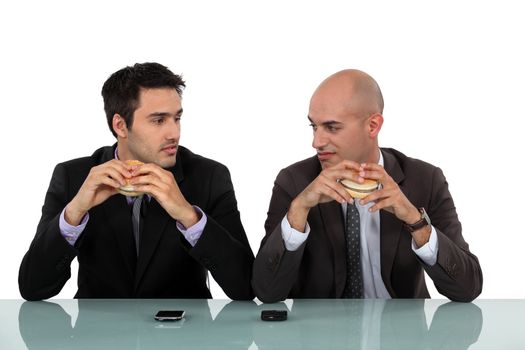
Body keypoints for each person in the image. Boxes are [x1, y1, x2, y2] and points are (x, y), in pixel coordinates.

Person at [19, 62, 254, 300]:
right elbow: (33, 288)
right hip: (98, 334)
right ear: (120, 125)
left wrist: (189, 217)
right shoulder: (73, 176)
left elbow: (245, 287)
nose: (174, 133)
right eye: (159, 120)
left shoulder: (210, 176)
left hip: (182, 332)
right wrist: (75, 212)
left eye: (177, 118)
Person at [252, 69, 482, 302]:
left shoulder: (424, 179)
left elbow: (467, 288)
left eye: (332, 127)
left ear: (373, 126)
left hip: (403, 334)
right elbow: (266, 292)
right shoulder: (294, 182)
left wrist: (416, 222)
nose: (316, 142)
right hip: (319, 333)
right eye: (314, 126)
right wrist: (298, 212)